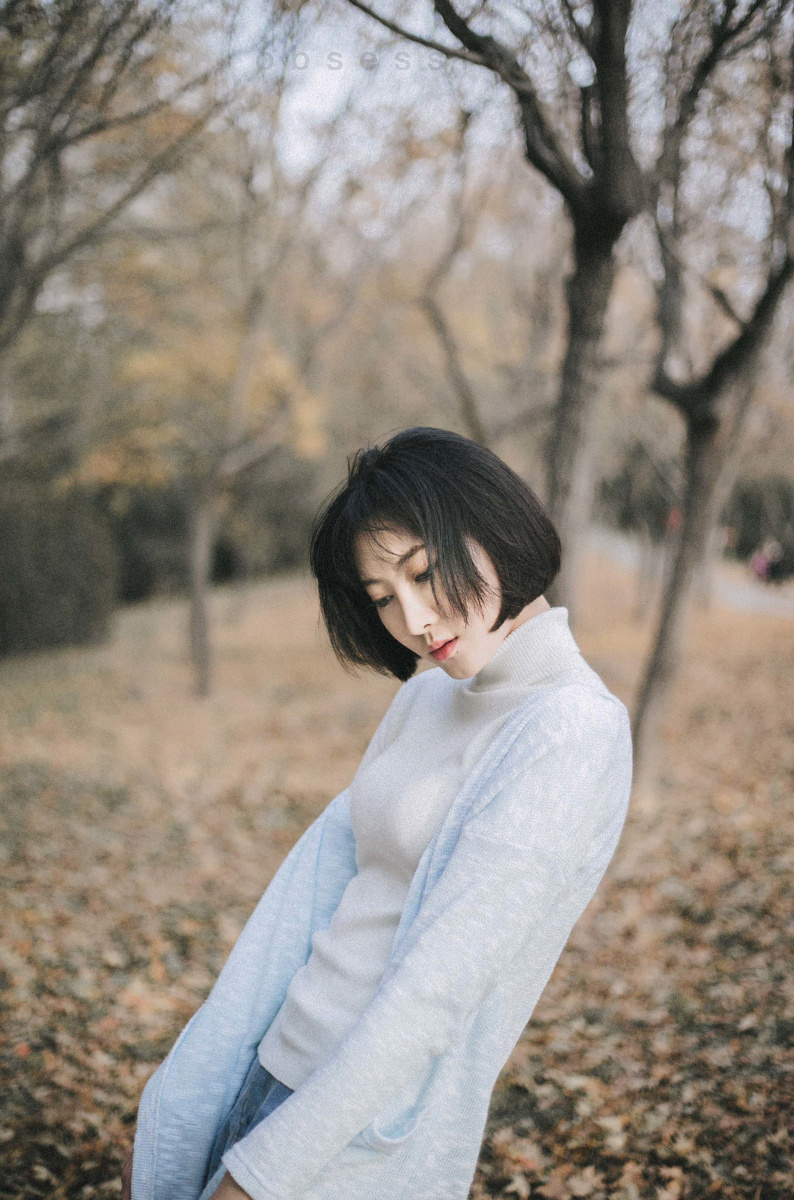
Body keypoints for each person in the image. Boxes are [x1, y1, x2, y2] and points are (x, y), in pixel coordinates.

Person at [123, 426, 633, 1200]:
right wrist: (204, 1084)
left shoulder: (569, 729)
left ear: (493, 525)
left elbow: (437, 993)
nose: (415, 620)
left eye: (425, 573)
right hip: (270, 1065)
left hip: (348, 1134)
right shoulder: (428, 696)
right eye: (384, 599)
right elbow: (326, 896)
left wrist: (263, 1176)